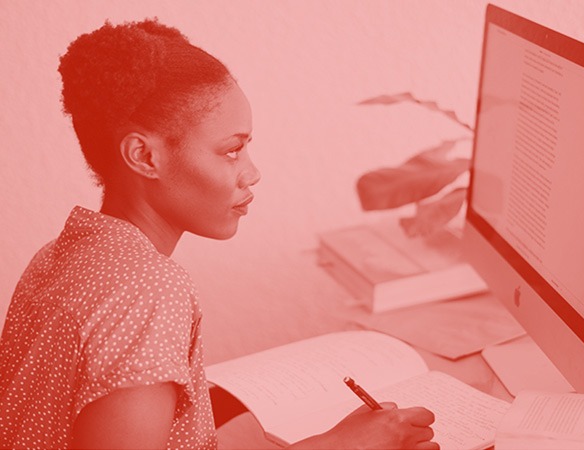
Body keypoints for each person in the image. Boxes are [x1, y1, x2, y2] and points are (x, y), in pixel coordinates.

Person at [0, 19, 439, 449]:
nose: (252, 173)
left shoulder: (59, 255)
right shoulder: (149, 290)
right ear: (144, 156)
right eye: (231, 151)